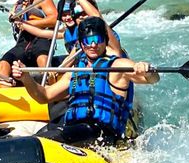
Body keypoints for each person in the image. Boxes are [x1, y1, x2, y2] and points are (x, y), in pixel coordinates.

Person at [11, 16, 158, 147]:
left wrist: (147, 70)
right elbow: (44, 96)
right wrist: (26, 78)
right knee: (33, 140)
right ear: (81, 44)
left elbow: (151, 79)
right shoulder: (76, 69)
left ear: (105, 41)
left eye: (98, 40)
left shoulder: (117, 66)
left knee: (45, 140)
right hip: (74, 128)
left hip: (100, 133)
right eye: (88, 40)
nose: (93, 45)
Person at [0, 0, 57, 81]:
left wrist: (27, 25)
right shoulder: (18, 3)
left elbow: (54, 18)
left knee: (42, 60)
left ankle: (50, 89)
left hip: (41, 39)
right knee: (4, 63)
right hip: (24, 42)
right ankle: (5, 89)